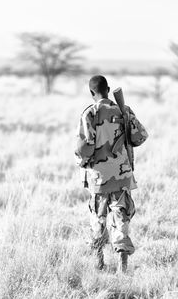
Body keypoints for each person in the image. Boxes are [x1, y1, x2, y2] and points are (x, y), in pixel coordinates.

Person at [75, 75, 148, 272]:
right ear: (108, 89)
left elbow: (83, 149)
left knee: (98, 219)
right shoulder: (124, 110)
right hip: (122, 176)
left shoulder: (90, 113)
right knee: (121, 219)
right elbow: (140, 137)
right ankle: (122, 267)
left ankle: (99, 263)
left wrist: (82, 163)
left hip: (99, 178)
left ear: (92, 93)